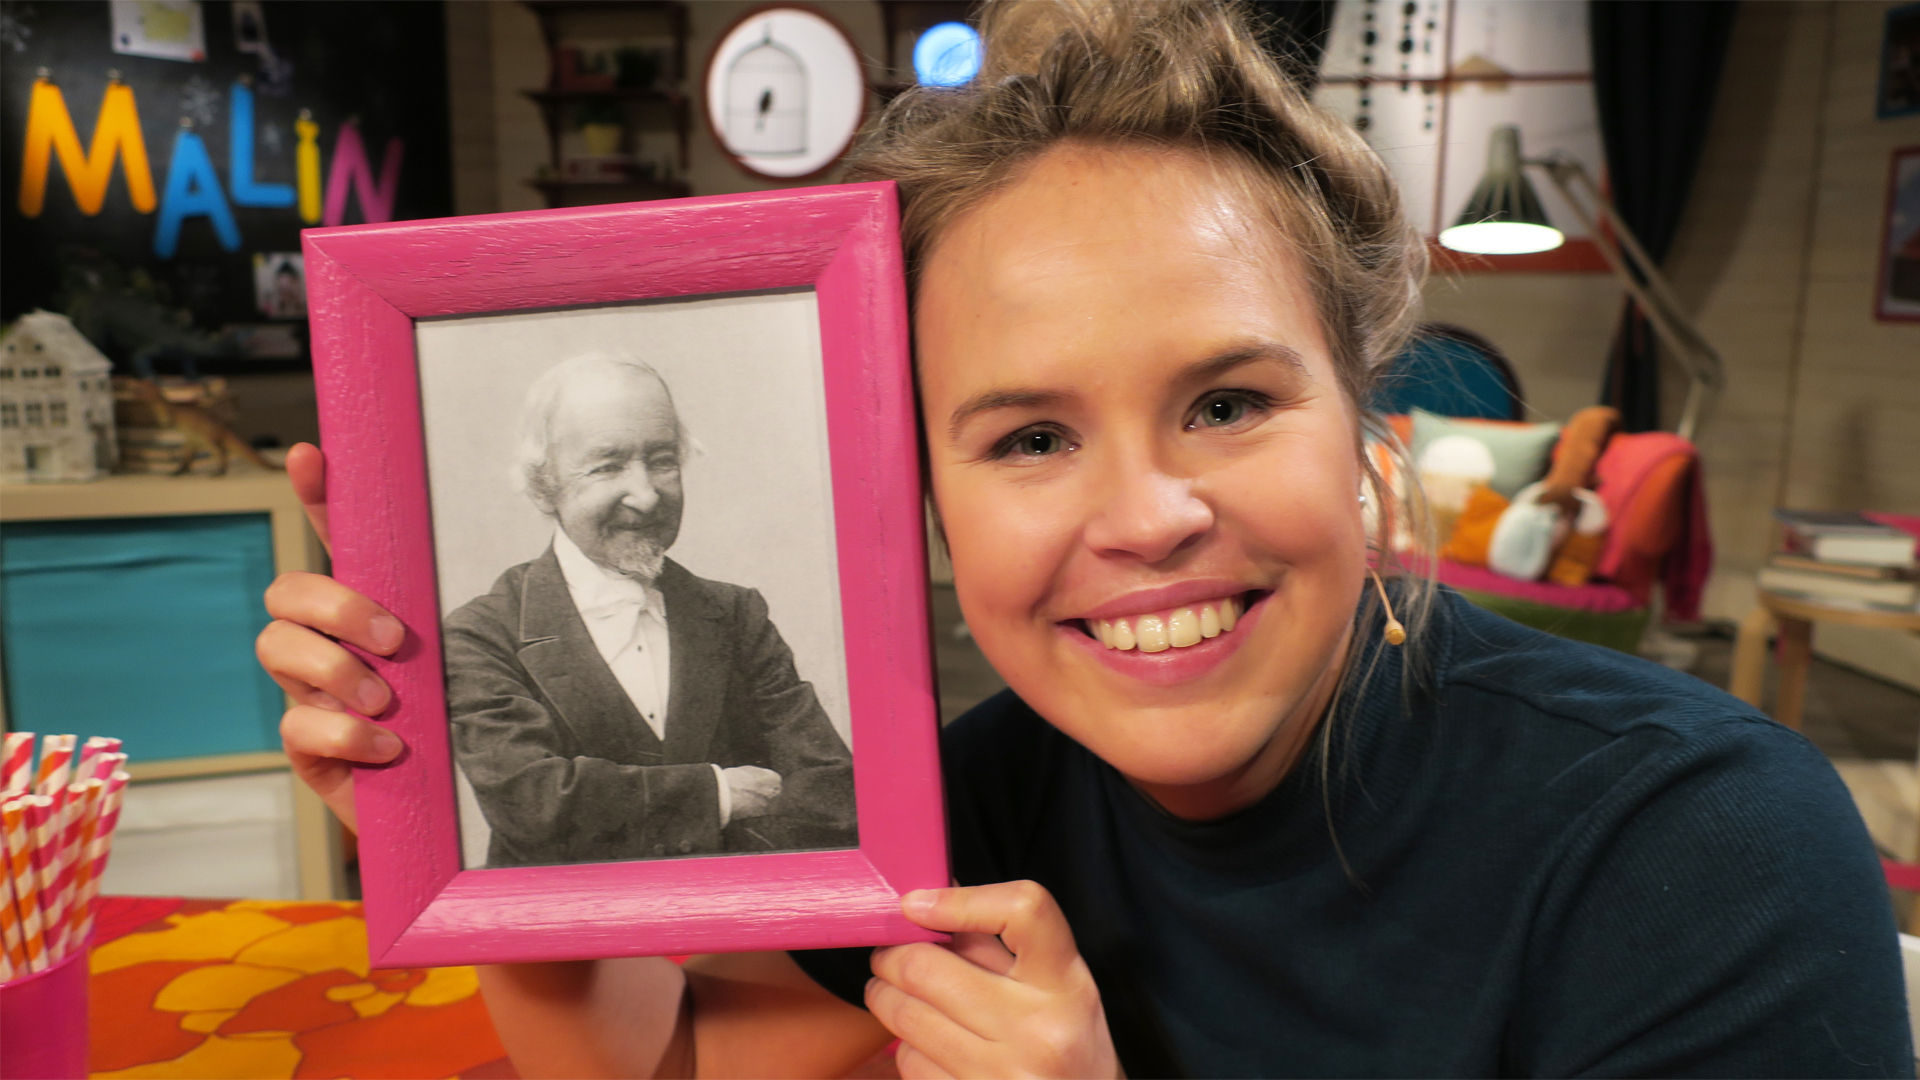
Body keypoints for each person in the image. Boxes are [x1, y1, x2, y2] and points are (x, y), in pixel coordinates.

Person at [257, 1, 1911, 1075]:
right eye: (1031, 439)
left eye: (1229, 403)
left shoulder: (1698, 848)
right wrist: (465, 807)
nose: (1146, 517)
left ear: (1366, 435)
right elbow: (675, 1055)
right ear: (918, 503)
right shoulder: (964, 811)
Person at [442, 353, 855, 866]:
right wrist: (718, 796)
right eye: (607, 466)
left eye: (662, 461)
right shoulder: (481, 634)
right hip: (568, 922)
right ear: (545, 485)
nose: (645, 495)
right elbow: (534, 808)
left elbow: (833, 798)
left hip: (739, 916)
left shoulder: (736, 614)